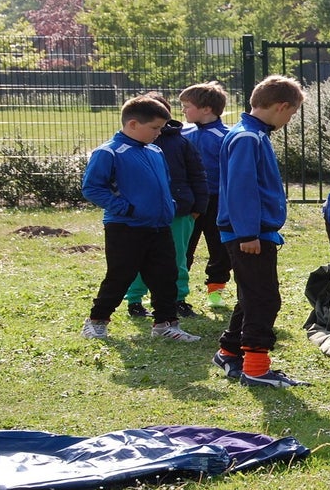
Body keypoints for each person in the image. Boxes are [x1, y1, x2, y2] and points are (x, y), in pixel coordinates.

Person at [210, 75, 309, 388]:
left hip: (253, 232)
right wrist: (248, 233)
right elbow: (241, 189)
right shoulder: (248, 138)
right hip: (249, 235)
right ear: (281, 106)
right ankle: (255, 368)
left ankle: (229, 352)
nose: (289, 120)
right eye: (291, 113)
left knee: (251, 295)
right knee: (264, 299)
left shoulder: (253, 134)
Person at [80, 95, 202, 342]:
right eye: (155, 128)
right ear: (133, 124)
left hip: (160, 225)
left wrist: (169, 206)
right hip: (125, 227)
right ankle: (96, 321)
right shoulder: (109, 152)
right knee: (121, 275)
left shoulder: (155, 151)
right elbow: (92, 188)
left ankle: (165, 324)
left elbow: (165, 183)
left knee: (166, 275)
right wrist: (126, 209)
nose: (159, 133)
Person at [123, 92, 208, 320]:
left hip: (179, 212)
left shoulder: (181, 143)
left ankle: (178, 299)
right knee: (139, 257)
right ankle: (135, 300)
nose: (156, 130)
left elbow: (198, 175)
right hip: (142, 214)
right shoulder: (128, 146)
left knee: (178, 258)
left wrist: (198, 207)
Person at [180, 81, 234, 310]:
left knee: (220, 249)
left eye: (187, 106)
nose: (182, 110)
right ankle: (177, 294)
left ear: (206, 109)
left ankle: (215, 294)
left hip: (217, 202)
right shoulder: (183, 134)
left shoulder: (227, 137)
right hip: (189, 202)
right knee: (183, 248)